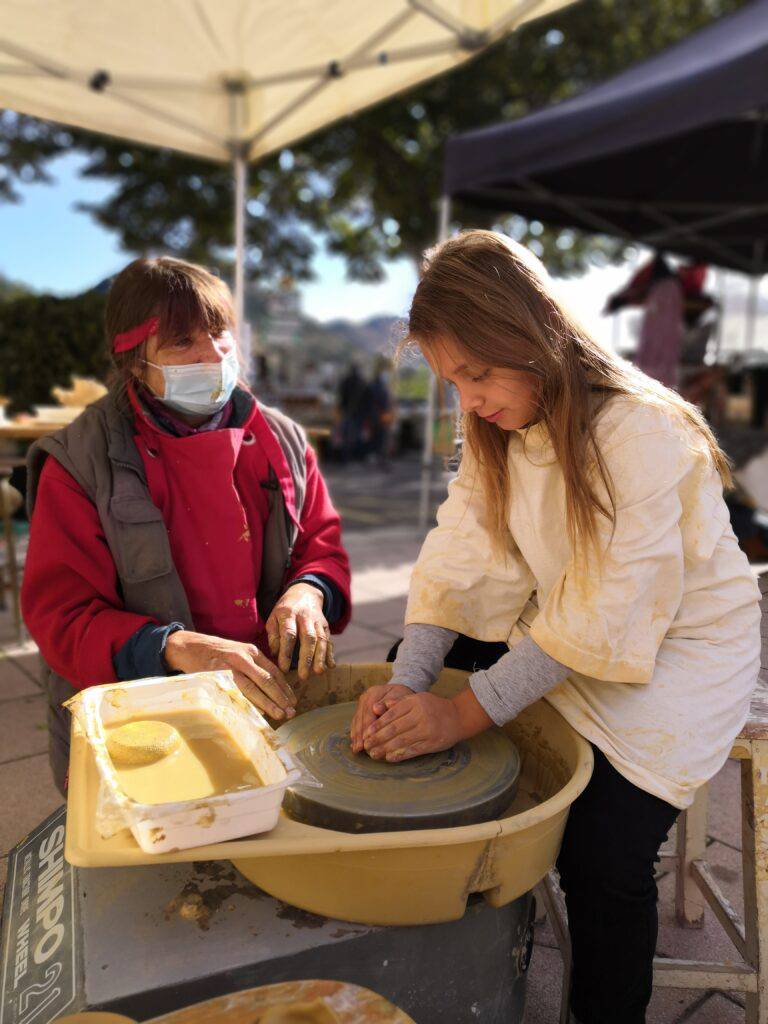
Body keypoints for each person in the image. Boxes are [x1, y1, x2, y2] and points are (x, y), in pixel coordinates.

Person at [350, 231, 761, 1024]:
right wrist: (407, 688)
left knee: (601, 847)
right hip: (576, 620)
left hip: (682, 650)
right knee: (415, 659)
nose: (467, 399)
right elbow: (463, 557)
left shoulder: (640, 431)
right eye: (451, 381)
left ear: (533, 327)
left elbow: (605, 614)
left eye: (477, 372)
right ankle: (470, 874)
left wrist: (465, 714)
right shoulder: (498, 428)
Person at [22, 257, 351, 794]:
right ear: (134, 362)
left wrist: (309, 593)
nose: (212, 354)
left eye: (219, 332)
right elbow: (62, 616)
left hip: (269, 701)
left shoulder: (283, 440)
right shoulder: (79, 463)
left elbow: (322, 545)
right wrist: (175, 648)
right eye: (181, 342)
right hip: (143, 721)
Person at [336, 362, 366, 461]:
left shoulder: (346, 381)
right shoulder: (361, 381)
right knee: (355, 435)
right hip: (357, 413)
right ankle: (355, 456)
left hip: (347, 412)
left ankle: (345, 457)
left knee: (346, 435)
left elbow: (341, 395)